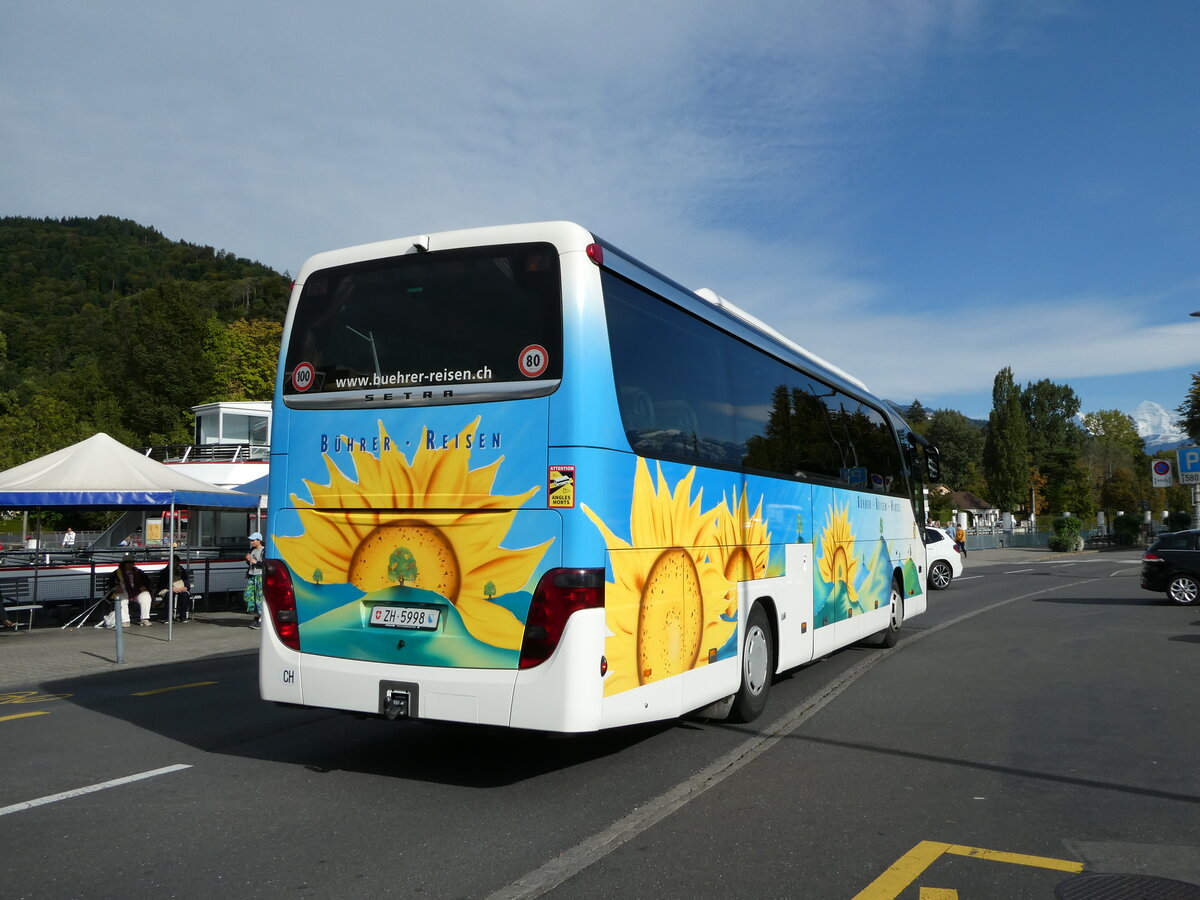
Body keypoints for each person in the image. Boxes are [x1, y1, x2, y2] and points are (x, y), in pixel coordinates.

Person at [102, 558, 154, 627]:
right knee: (121, 600)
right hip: (123, 591)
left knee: (146, 596)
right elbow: (110, 582)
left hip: (137, 590)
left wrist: (144, 586)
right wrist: (116, 586)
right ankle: (125, 621)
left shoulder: (138, 571)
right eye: (128, 563)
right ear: (124, 564)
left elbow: (147, 580)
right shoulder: (117, 572)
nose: (130, 564)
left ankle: (144, 619)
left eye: (131, 563)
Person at [244, 532, 265, 628]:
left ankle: (260, 618)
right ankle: (256, 614)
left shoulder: (264, 551)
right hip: (251, 575)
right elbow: (250, 564)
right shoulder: (251, 550)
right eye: (251, 540)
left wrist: (255, 562)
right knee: (248, 595)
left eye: (253, 540)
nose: (251, 542)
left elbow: (265, 565)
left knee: (259, 597)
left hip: (260, 576)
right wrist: (248, 560)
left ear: (259, 540)